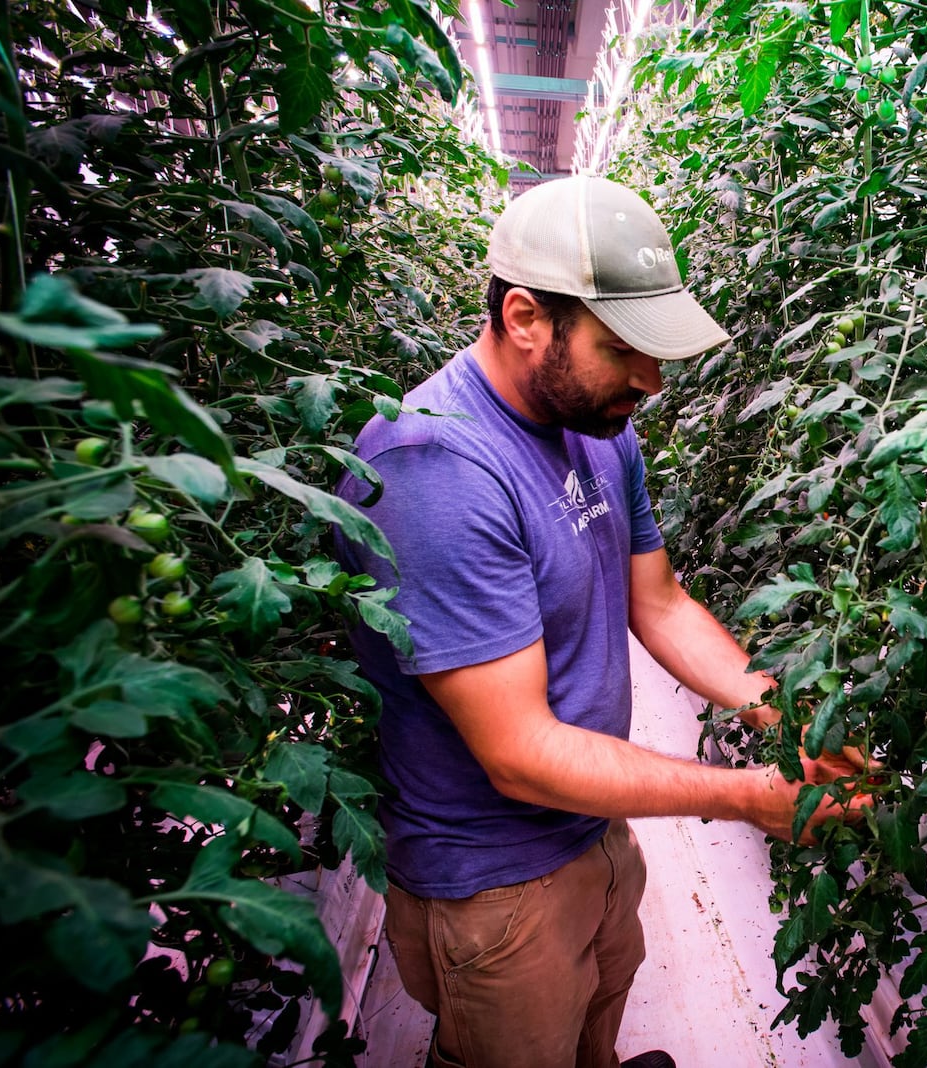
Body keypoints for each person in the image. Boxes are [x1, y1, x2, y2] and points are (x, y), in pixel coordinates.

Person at [332, 175, 864, 1068]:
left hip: (593, 821)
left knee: (599, 1017)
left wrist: (788, 720)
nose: (651, 382)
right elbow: (520, 752)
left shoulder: (597, 421)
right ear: (525, 317)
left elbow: (657, 602)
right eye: (625, 350)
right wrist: (746, 796)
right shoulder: (434, 472)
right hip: (495, 881)